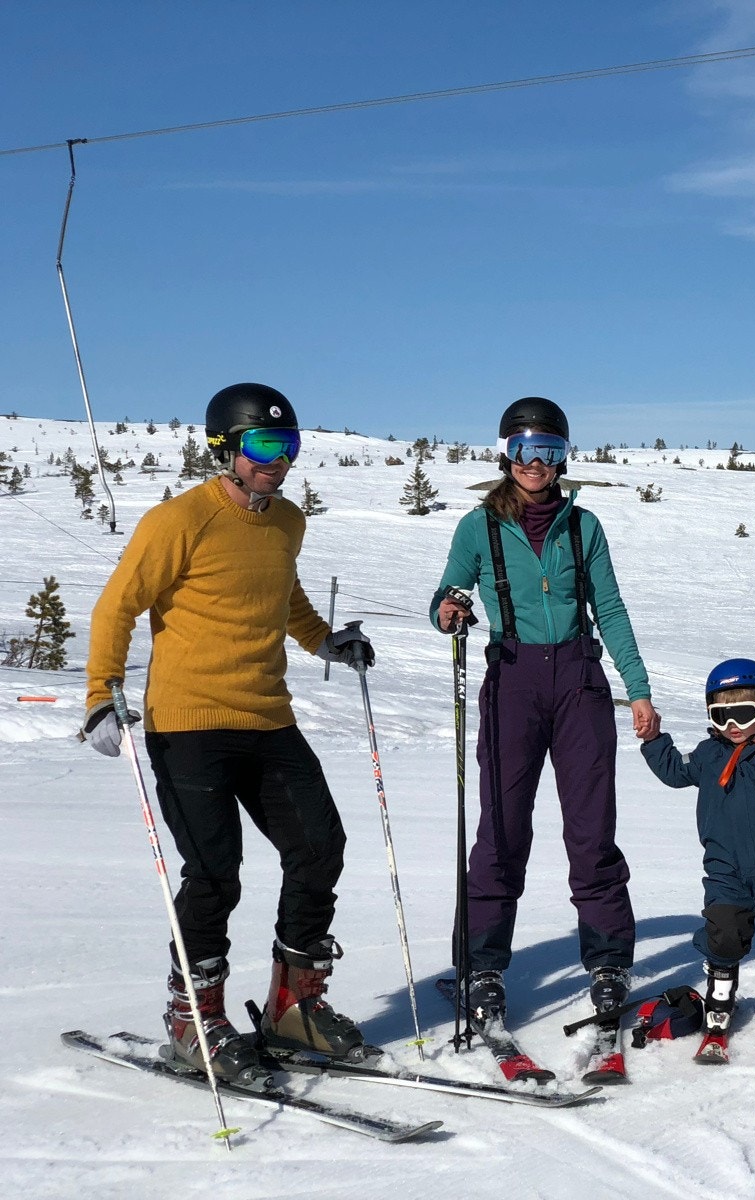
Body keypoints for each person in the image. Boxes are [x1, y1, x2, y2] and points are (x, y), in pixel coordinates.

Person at [81, 382, 375, 1080]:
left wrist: (323, 642)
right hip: (188, 724)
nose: (280, 459)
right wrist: (101, 695)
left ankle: (292, 1008)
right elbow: (115, 608)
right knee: (214, 874)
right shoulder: (178, 522)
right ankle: (194, 1017)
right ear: (226, 450)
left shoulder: (287, 521)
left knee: (319, 847)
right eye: (266, 445)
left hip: (267, 718)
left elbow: (284, 592)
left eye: (290, 445)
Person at [431, 396, 656, 1036]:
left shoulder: (585, 528)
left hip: (580, 681)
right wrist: (448, 608)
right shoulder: (478, 527)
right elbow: (449, 589)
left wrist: (636, 688)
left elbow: (610, 609)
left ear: (564, 458)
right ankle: (481, 966)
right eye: (524, 450)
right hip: (512, 679)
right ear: (506, 455)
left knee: (591, 830)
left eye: (548, 451)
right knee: (501, 828)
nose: (535, 463)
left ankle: (609, 962)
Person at [640, 659, 755, 1043]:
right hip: (724, 865)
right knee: (724, 930)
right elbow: (676, 773)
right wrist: (654, 740)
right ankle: (721, 991)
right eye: (721, 714)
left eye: (741, 714)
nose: (731, 724)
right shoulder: (709, 753)